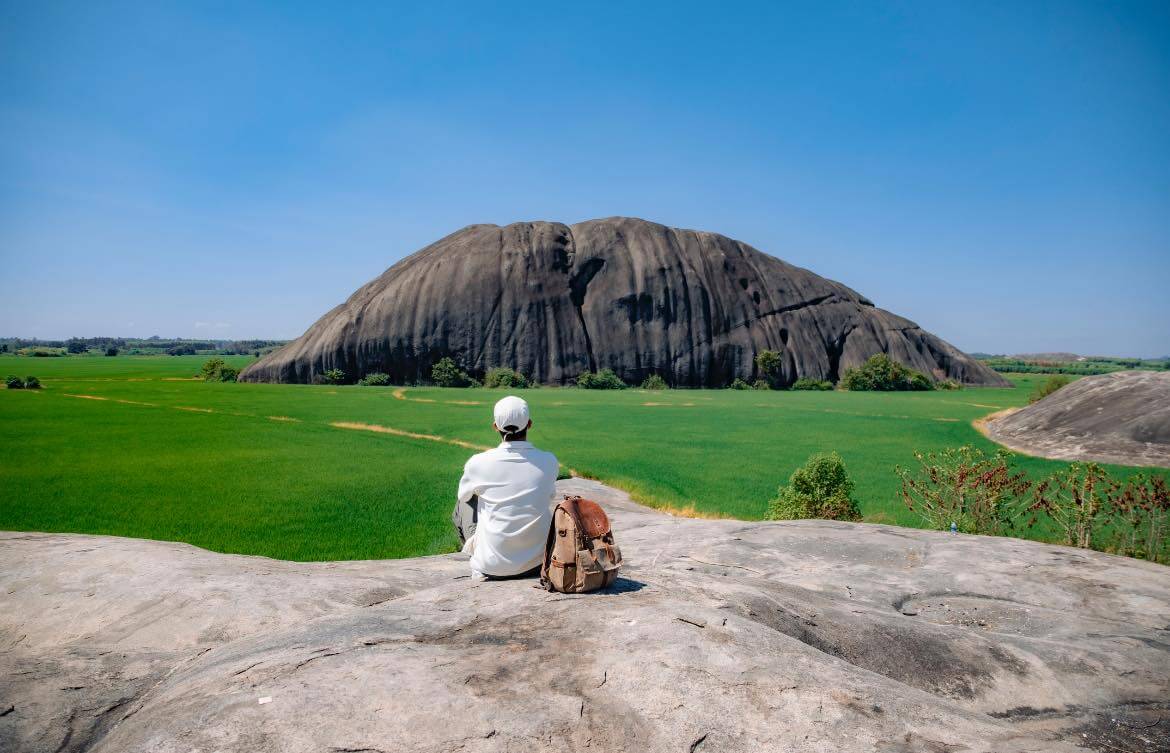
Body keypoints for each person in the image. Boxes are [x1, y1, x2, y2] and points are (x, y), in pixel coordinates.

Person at [453, 395, 559, 581]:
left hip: (491, 568)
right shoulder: (549, 461)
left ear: (495, 426)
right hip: (538, 564)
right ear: (530, 424)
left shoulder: (478, 462)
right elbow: (549, 496)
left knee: (465, 501)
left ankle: (476, 552)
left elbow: (464, 496)